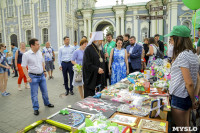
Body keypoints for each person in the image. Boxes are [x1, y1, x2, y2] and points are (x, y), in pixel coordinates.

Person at [165, 25, 199, 129]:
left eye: (172, 40)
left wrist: (194, 100)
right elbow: (198, 79)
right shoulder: (193, 54)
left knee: (181, 129)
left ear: (178, 39)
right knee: (186, 127)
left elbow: (189, 83)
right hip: (186, 97)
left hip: (180, 97)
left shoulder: (183, 56)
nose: (171, 43)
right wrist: (195, 97)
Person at [22, 38, 54, 115]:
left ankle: (47, 103)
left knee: (45, 92)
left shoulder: (39, 52)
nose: (39, 45)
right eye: (37, 44)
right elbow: (23, 66)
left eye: (39, 44)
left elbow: (42, 62)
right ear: (32, 45)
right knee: (34, 94)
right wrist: (27, 77)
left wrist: (44, 70)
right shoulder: (26, 55)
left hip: (42, 75)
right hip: (33, 77)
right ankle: (36, 108)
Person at [82, 31, 106, 98]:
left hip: (99, 77)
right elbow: (86, 64)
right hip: (91, 79)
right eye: (101, 40)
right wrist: (97, 69)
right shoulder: (88, 49)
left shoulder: (99, 49)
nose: (102, 42)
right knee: (91, 98)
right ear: (96, 40)